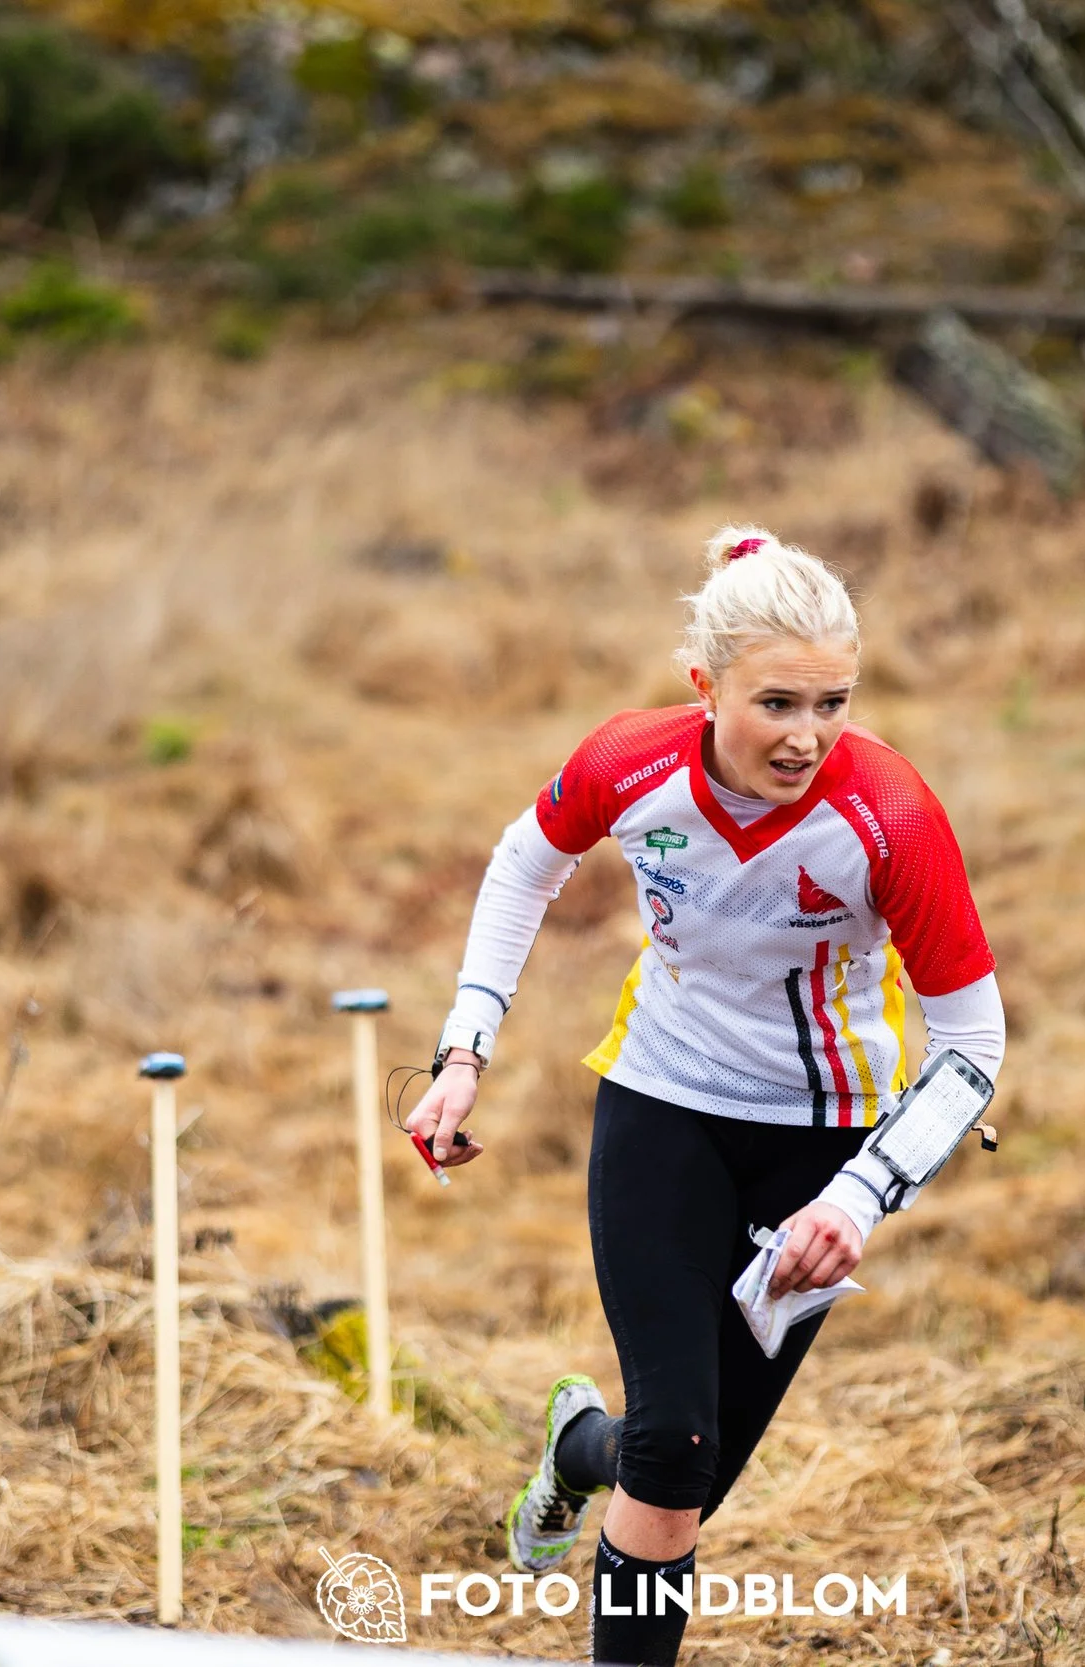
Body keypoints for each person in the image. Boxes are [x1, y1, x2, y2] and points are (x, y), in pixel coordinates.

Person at [405, 525, 1007, 1666]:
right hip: (662, 1104)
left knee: (685, 1474)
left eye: (834, 701)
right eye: (777, 702)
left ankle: (576, 1444)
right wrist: (464, 1052)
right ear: (705, 686)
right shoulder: (631, 763)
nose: (808, 735)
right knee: (674, 1453)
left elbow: (974, 1039)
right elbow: (522, 860)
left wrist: (860, 1198)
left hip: (819, 1150)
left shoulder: (890, 815)